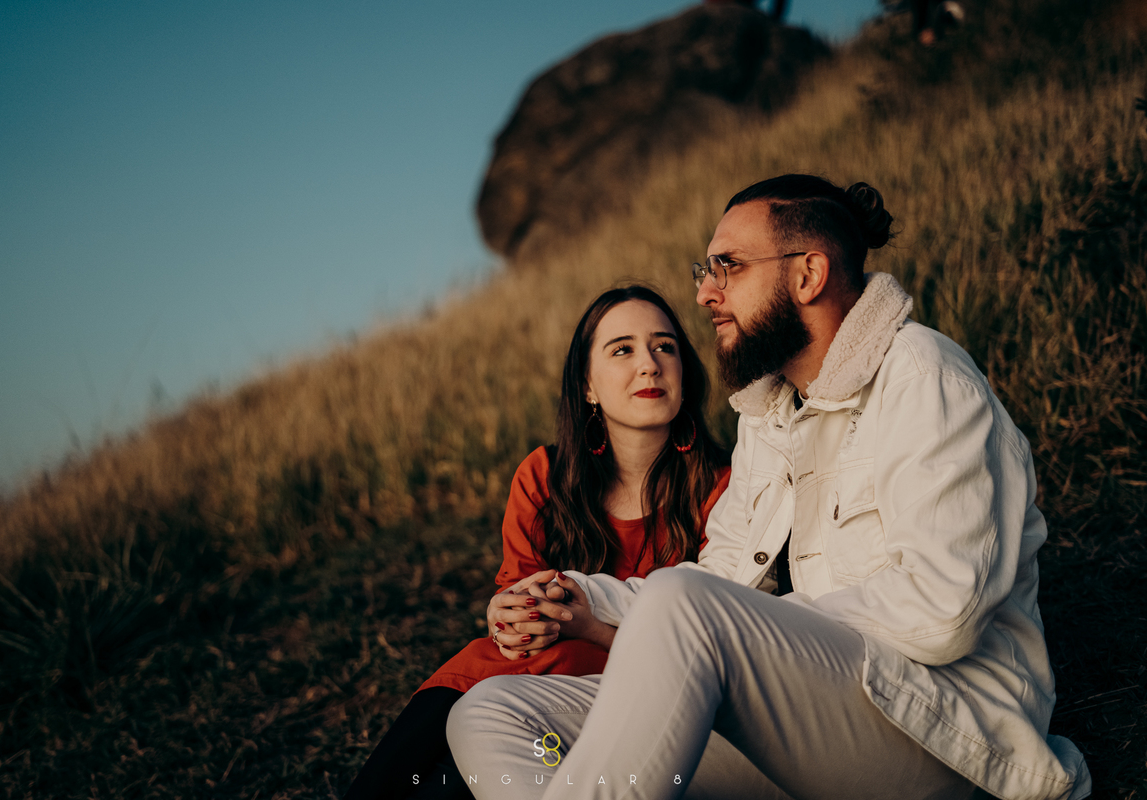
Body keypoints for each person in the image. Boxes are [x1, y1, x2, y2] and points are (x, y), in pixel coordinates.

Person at [446, 175, 1092, 800]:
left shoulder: (925, 378)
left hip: (939, 738)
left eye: (727, 267)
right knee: (495, 711)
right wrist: (576, 594)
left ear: (807, 275)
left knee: (687, 601)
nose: (705, 295)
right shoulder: (770, 414)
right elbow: (720, 580)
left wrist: (755, 627)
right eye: (706, 273)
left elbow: (943, 613)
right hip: (815, 733)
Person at [343, 285, 731, 799]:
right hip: (526, 680)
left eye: (665, 346)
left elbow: (717, 643)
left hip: (653, 699)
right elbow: (517, 616)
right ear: (588, 386)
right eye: (622, 349)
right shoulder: (546, 475)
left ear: (685, 371)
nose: (649, 364)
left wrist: (589, 627)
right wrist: (506, 615)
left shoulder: (726, 487)